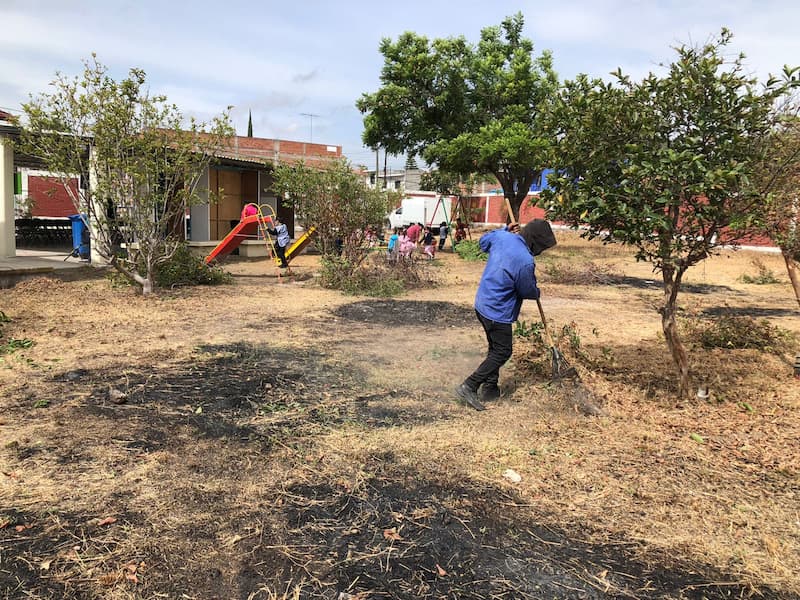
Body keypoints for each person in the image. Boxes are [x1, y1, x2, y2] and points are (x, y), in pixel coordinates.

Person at [454, 220, 556, 411]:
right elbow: (527, 290)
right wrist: (536, 291)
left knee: (495, 348)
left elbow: (483, 242)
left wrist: (505, 229)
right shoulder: (525, 260)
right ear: (535, 242)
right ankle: (469, 385)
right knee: (502, 351)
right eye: (542, 247)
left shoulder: (502, 237)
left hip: (482, 303)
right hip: (497, 310)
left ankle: (490, 388)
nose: (541, 251)